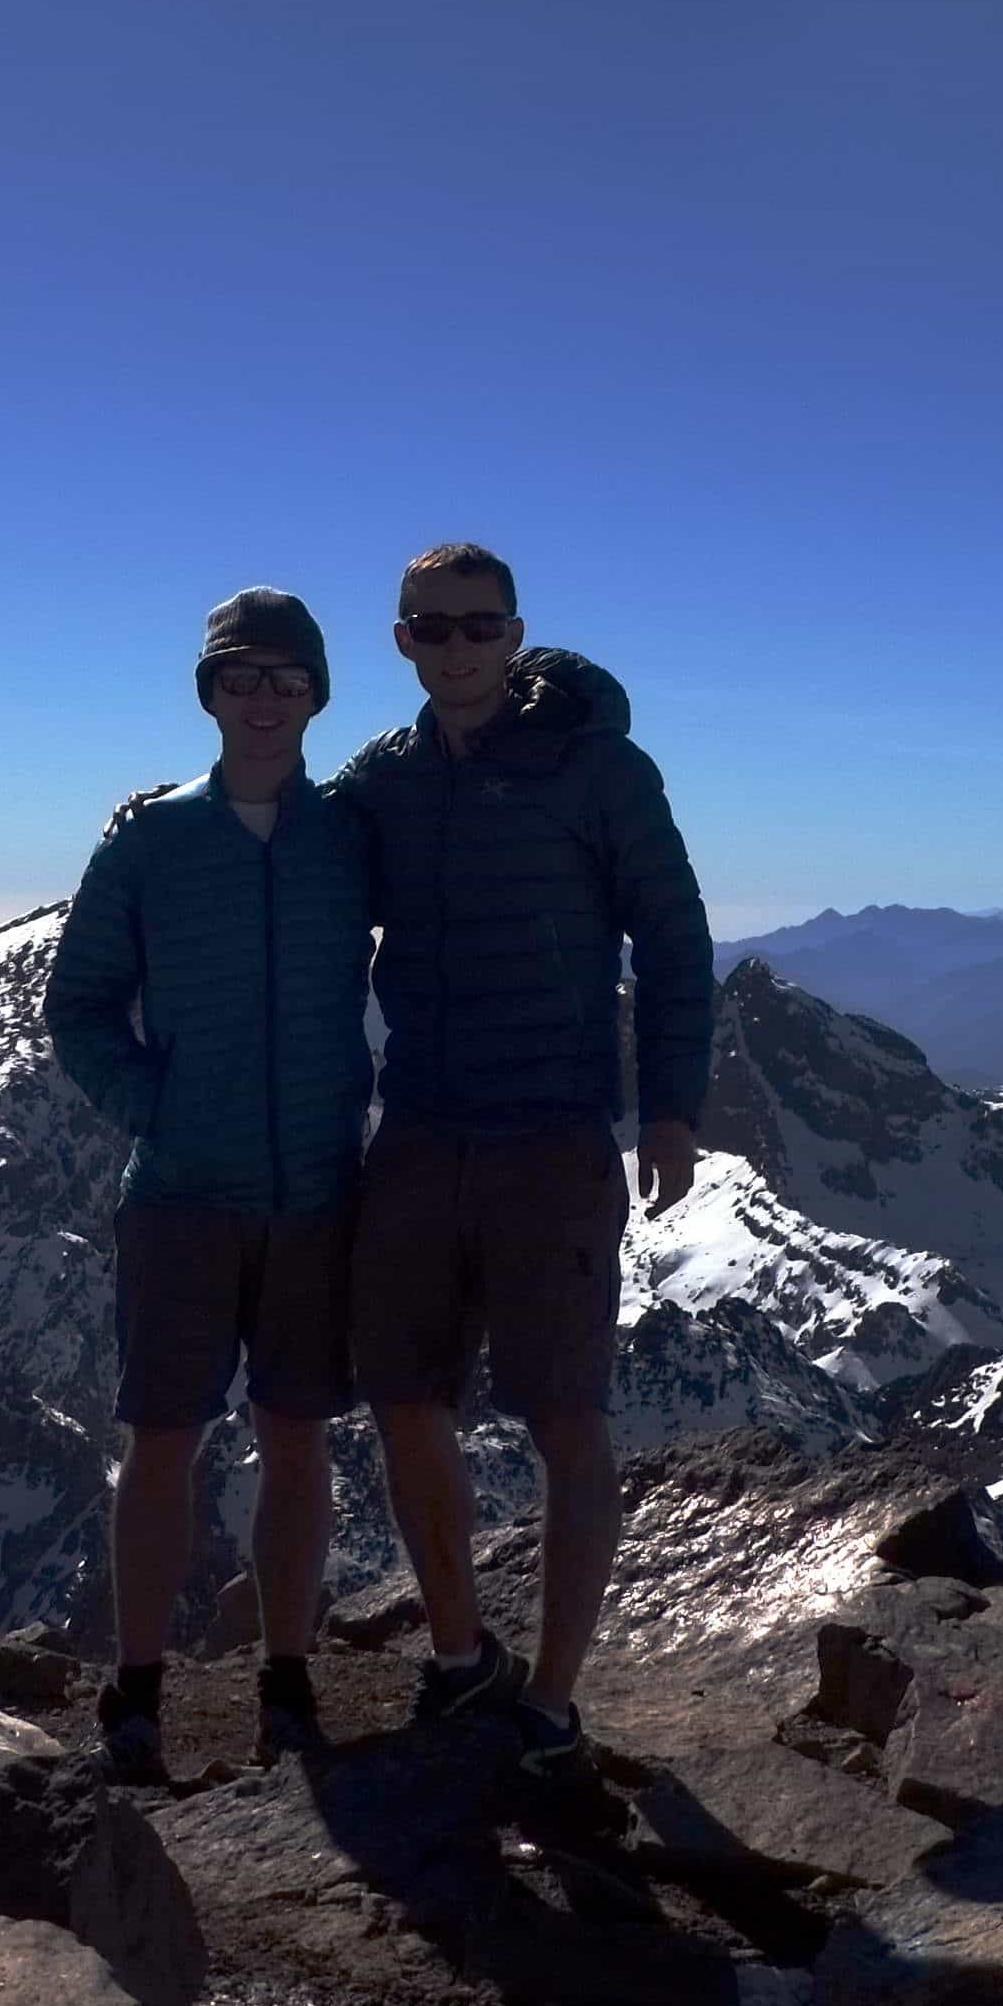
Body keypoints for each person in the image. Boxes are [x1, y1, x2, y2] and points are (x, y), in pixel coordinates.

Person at [328, 542, 711, 1793]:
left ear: (516, 632)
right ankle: (459, 1655)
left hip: (553, 1130)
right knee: (403, 1397)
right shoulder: (384, 779)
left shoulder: (598, 767)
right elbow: (295, 871)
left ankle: (551, 1699)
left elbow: (672, 931)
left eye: (478, 627)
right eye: (433, 629)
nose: (457, 648)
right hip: (426, 1127)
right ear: (401, 641)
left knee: (564, 1417)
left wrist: (671, 1109)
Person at [43, 588, 375, 1787]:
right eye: (244, 675)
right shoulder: (149, 840)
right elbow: (76, 1004)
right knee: (164, 1442)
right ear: (211, 692)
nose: (267, 696)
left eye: (290, 678)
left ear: (318, 694)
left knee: (297, 1440)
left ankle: (286, 1680)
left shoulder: (353, 832)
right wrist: (159, 1108)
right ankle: (138, 1694)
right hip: (183, 1189)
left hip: (317, 1192)